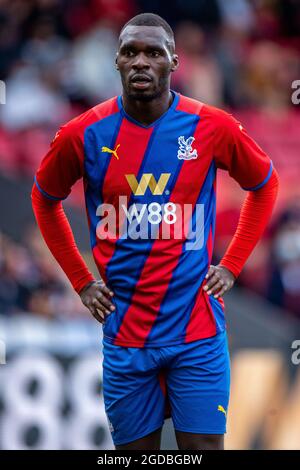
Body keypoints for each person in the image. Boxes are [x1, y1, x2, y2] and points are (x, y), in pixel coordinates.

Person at [31, 13, 279, 450]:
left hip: (196, 332)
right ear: (117, 62)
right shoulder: (82, 134)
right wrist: (82, 281)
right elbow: (44, 198)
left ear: (174, 62)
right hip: (126, 336)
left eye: (153, 53)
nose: (141, 62)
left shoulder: (211, 127)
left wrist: (233, 263)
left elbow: (264, 185)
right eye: (131, 52)